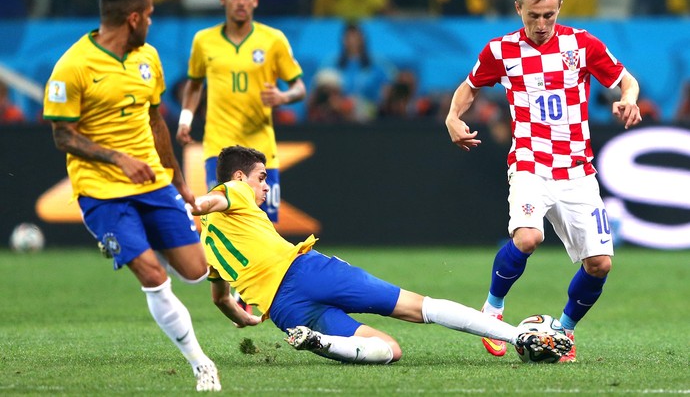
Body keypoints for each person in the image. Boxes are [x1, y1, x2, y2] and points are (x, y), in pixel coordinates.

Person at [189, 145, 573, 364]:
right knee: (419, 307)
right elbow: (212, 200)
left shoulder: (209, 247)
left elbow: (221, 297)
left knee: (390, 351)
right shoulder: (233, 191)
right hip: (307, 272)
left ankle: (319, 342)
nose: (265, 186)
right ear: (239, 178)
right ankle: (518, 336)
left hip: (286, 313)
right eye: (261, 178)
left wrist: (246, 318)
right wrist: (196, 203)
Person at [444, 0, 641, 363]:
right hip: (530, 162)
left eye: (548, 15)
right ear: (518, 9)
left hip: (577, 169)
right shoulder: (501, 51)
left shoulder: (581, 44)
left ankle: (562, 333)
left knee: (600, 263)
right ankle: (492, 310)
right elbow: (469, 87)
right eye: (533, 15)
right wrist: (453, 116)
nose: (541, 24)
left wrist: (629, 99)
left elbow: (626, 81)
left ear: (559, 8)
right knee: (528, 238)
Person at [42, 0, 220, 392]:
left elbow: (157, 119)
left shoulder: (149, 59)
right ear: (134, 17)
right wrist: (117, 158)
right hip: (102, 191)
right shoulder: (73, 66)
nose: (152, 24)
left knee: (196, 272)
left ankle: (136, 239)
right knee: (154, 276)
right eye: (151, 16)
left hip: (153, 185)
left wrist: (177, 179)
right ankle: (201, 364)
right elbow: (61, 135)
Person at [176, 0, 306, 219]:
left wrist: (283, 97)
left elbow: (299, 87)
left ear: (255, 0)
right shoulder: (204, 41)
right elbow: (193, 85)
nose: (241, 2)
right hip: (219, 149)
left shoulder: (273, 40)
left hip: (261, 149)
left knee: (265, 228)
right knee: (221, 222)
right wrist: (185, 120)